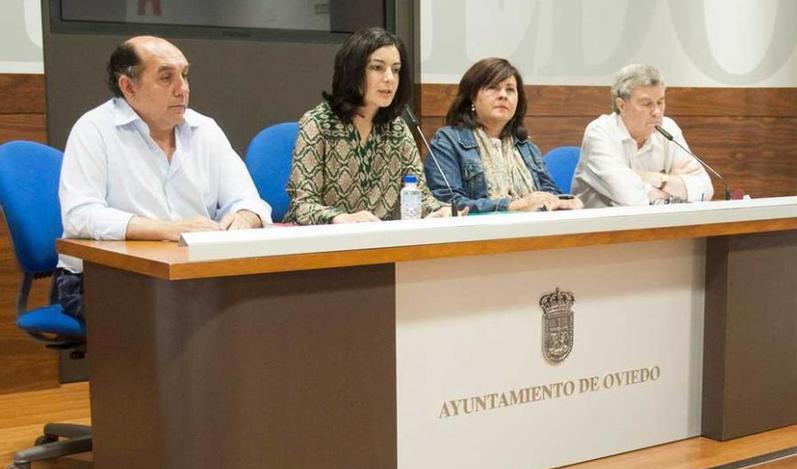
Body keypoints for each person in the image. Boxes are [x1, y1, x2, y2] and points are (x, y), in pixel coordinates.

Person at [56, 36, 271, 320]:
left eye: (184, 75)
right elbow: (80, 216)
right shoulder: (94, 130)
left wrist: (244, 217)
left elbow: (248, 200)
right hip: (105, 279)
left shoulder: (204, 130)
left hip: (192, 274)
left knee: (265, 304)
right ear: (128, 87)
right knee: (185, 320)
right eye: (166, 78)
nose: (182, 89)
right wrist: (167, 229)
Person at [284, 27, 450, 225]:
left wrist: (439, 211)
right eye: (377, 67)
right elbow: (301, 206)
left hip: (380, 243)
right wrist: (340, 217)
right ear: (352, 71)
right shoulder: (318, 124)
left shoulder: (397, 129)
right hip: (324, 244)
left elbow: (418, 194)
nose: (389, 78)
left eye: (395, 70)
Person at [424, 57, 582, 213]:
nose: (503, 95)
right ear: (472, 97)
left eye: (510, 89)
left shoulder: (524, 145)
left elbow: (548, 192)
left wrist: (563, 201)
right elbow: (448, 203)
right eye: (493, 88)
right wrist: (512, 206)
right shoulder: (448, 141)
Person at [571, 64, 714, 208]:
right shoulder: (600, 132)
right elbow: (631, 199)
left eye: (660, 102)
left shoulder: (668, 128)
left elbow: (706, 190)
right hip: (602, 227)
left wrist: (657, 179)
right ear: (622, 105)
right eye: (647, 104)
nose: (657, 112)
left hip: (660, 225)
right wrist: (674, 184)